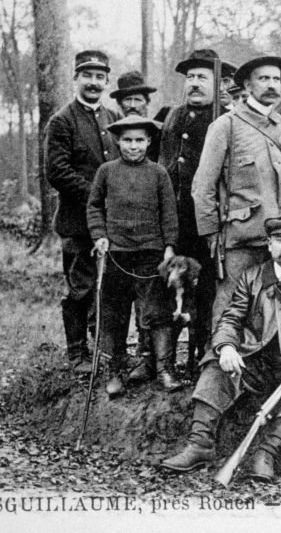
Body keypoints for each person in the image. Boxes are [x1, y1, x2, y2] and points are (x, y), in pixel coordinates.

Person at [160, 215, 281, 480]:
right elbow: (231, 318)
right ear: (269, 245)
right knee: (215, 361)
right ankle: (200, 443)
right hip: (258, 360)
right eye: (280, 240)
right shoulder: (252, 277)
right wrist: (227, 346)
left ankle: (268, 451)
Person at [193, 54, 281, 321]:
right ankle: (217, 360)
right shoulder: (225, 126)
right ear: (248, 86)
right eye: (264, 79)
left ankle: (264, 361)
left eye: (276, 79)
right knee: (231, 305)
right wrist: (211, 234)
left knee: (274, 304)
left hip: (280, 234)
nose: (272, 85)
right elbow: (202, 186)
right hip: (239, 237)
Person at [86, 115, 181, 397]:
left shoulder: (159, 173)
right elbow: (94, 207)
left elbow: (169, 212)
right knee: (113, 314)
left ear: (149, 141)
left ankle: (163, 369)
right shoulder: (106, 171)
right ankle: (114, 371)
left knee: (157, 312)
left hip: (150, 254)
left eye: (139, 140)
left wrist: (169, 246)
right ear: (117, 141)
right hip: (116, 253)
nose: (133, 146)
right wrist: (100, 236)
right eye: (127, 140)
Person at [154, 49, 232, 380]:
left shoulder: (226, 118)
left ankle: (203, 356)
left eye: (202, 77)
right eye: (190, 78)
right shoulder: (172, 117)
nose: (195, 84)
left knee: (208, 291)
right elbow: (164, 168)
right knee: (171, 289)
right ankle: (163, 361)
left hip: (211, 221)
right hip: (177, 220)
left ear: (218, 84)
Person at [45, 50, 120, 373]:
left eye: (99, 77)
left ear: (106, 81)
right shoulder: (62, 121)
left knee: (109, 287)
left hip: (112, 222)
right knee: (81, 287)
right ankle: (77, 353)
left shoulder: (113, 118)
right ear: (76, 79)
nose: (93, 82)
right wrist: (96, 194)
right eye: (87, 76)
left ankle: (103, 346)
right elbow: (56, 171)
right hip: (77, 223)